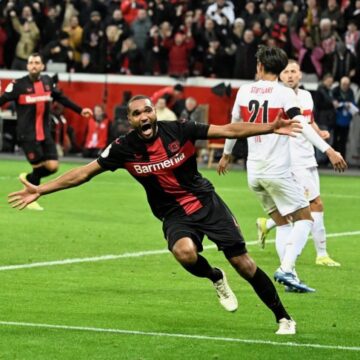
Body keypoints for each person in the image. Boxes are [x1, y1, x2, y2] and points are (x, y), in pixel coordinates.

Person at [8, 95, 303, 335]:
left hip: (205, 201)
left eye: (147, 110)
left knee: (243, 263)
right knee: (185, 253)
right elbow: (83, 174)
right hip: (173, 213)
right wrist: (41, 189)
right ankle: (215, 276)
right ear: (131, 120)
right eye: (137, 113)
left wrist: (268, 127)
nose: (144, 116)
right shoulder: (123, 148)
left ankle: (283, 318)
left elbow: (228, 129)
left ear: (155, 113)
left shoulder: (180, 128)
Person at [217, 46, 347, 293]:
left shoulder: (244, 91)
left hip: (253, 172)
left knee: (283, 223)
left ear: (260, 66)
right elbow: (302, 124)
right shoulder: (284, 93)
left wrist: (226, 155)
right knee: (305, 218)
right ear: (279, 69)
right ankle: (287, 269)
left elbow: (233, 126)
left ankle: (292, 278)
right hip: (276, 170)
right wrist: (328, 150)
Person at [255, 60, 341, 267]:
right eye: (286, 72)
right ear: (280, 75)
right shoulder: (277, 96)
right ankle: (320, 254)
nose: (290, 76)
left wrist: (319, 132)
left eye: (294, 71)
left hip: (307, 156)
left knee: (301, 208)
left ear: (300, 74)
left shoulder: (306, 96)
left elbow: (307, 121)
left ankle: (268, 224)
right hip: (290, 160)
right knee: (313, 204)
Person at [0, 53, 92, 210]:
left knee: (53, 166)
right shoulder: (18, 85)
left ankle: (28, 178)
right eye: (31, 63)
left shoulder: (48, 82)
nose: (33, 65)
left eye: (37, 62)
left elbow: (62, 98)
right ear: (27, 66)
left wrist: (80, 110)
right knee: (39, 167)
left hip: (45, 132)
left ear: (42, 66)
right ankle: (32, 197)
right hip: (27, 135)